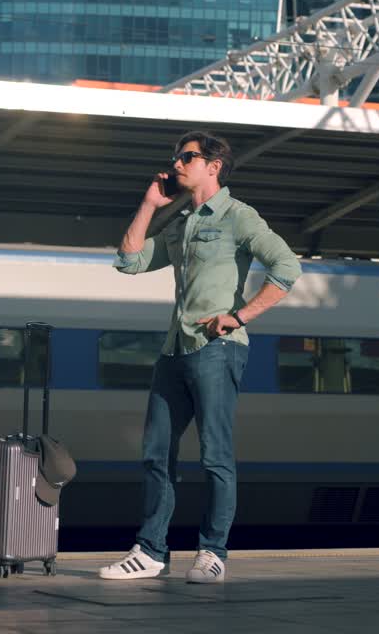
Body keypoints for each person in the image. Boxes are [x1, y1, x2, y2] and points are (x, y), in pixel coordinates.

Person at [99, 131, 301, 584]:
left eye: (187, 157)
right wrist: (151, 204)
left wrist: (240, 315)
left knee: (215, 456)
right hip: (174, 351)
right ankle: (150, 552)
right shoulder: (181, 222)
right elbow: (129, 262)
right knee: (155, 453)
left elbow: (287, 268)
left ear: (214, 166)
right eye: (175, 157)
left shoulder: (238, 216)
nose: (176, 165)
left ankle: (213, 553)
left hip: (217, 351)